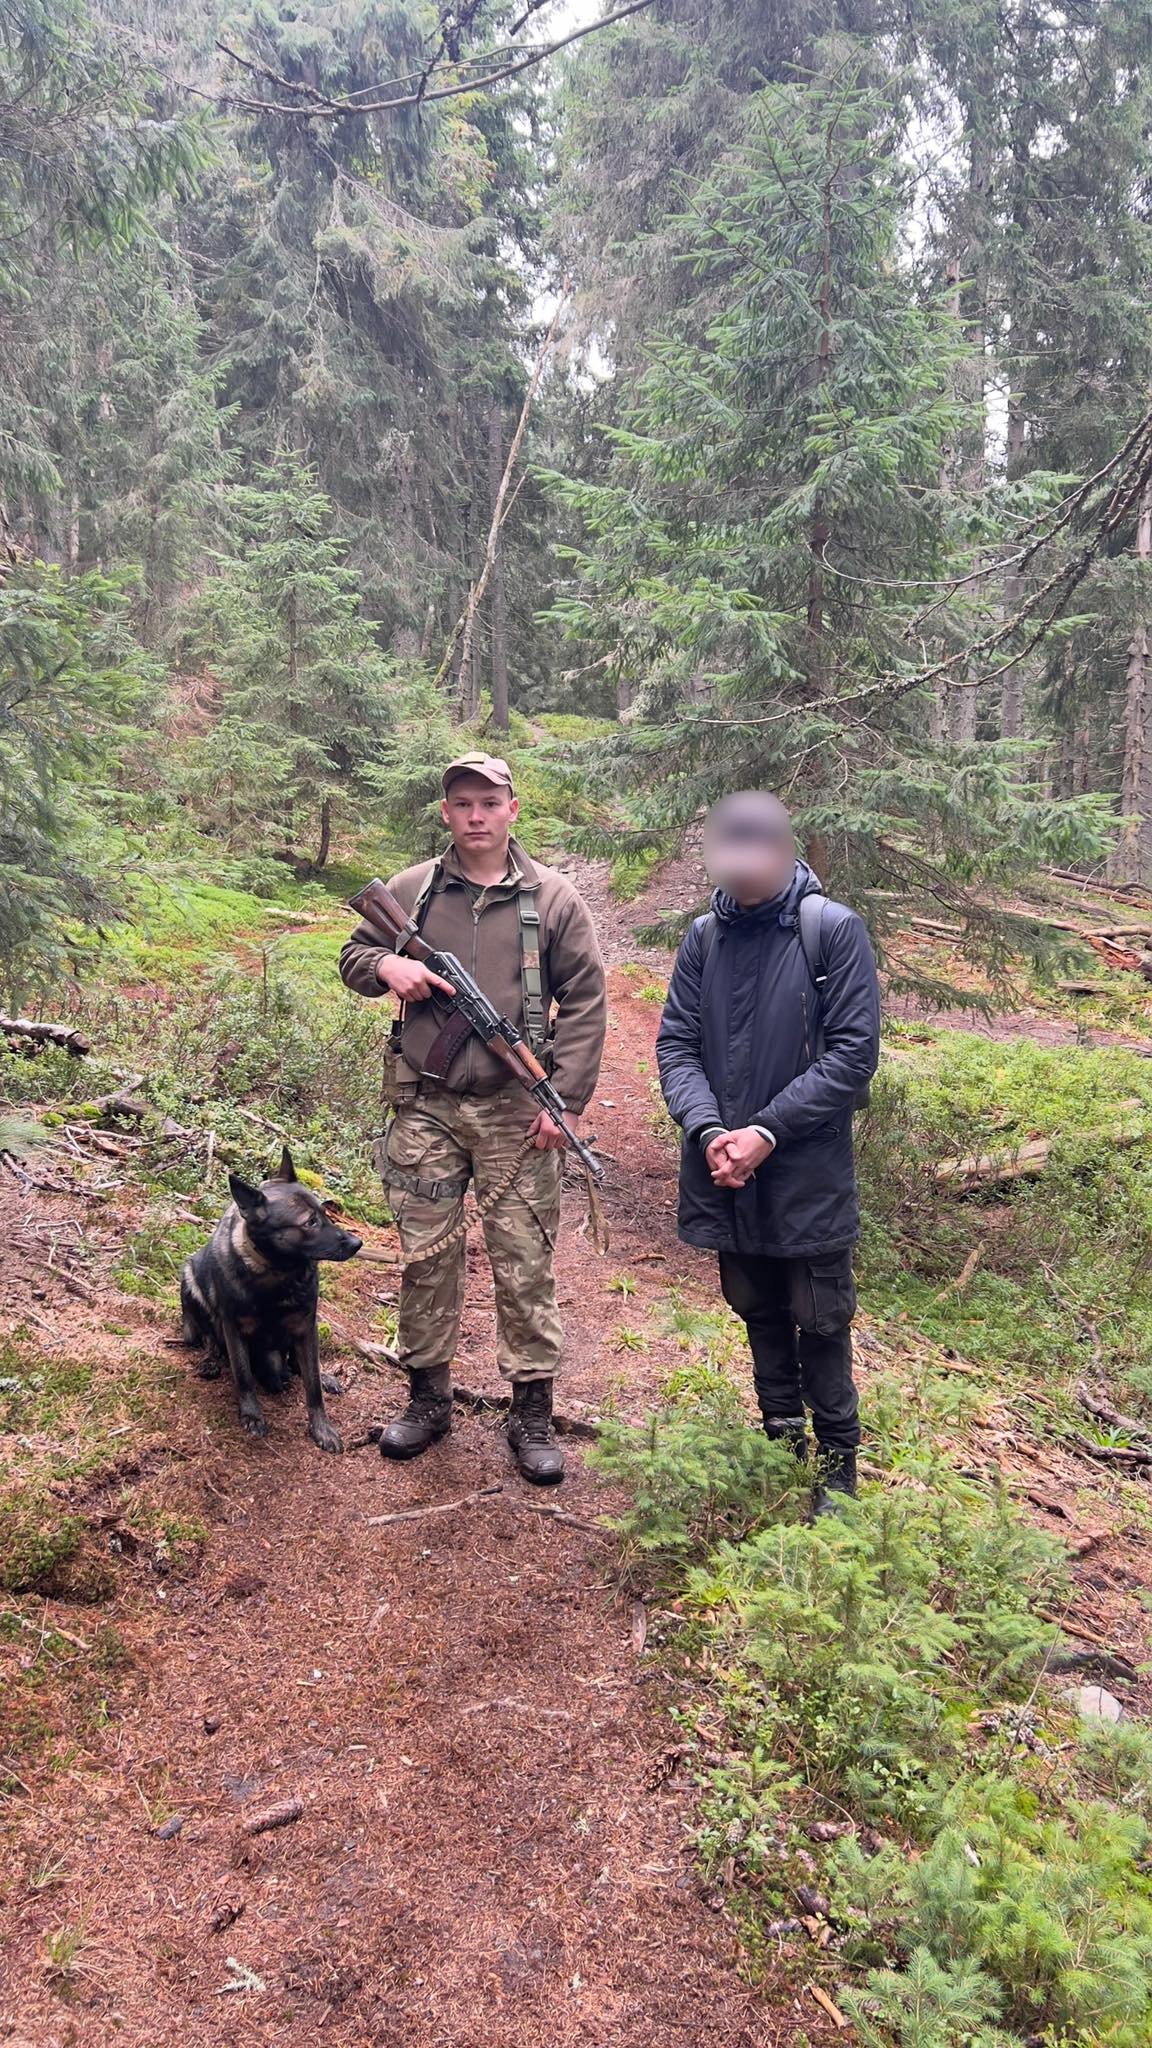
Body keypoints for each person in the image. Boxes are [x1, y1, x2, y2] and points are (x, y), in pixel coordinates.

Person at [339, 752, 606, 1485]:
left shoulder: (554, 899)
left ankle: (531, 1414)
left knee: (524, 1261)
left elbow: (586, 1000)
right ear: (447, 812)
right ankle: (428, 1400)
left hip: (518, 1111)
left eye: (489, 803)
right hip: (425, 1105)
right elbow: (355, 953)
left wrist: (565, 1099)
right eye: (462, 804)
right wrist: (386, 967)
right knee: (426, 1257)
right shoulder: (412, 889)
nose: (476, 816)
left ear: (512, 809)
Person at [655, 792, 880, 1507]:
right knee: (755, 1304)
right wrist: (709, 1131)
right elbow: (676, 1045)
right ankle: (781, 1443)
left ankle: (836, 1470)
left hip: (807, 1173)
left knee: (821, 1315)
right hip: (726, 1169)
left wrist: (767, 1131)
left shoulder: (832, 930)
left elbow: (853, 1055)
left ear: (785, 849)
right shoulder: (704, 938)